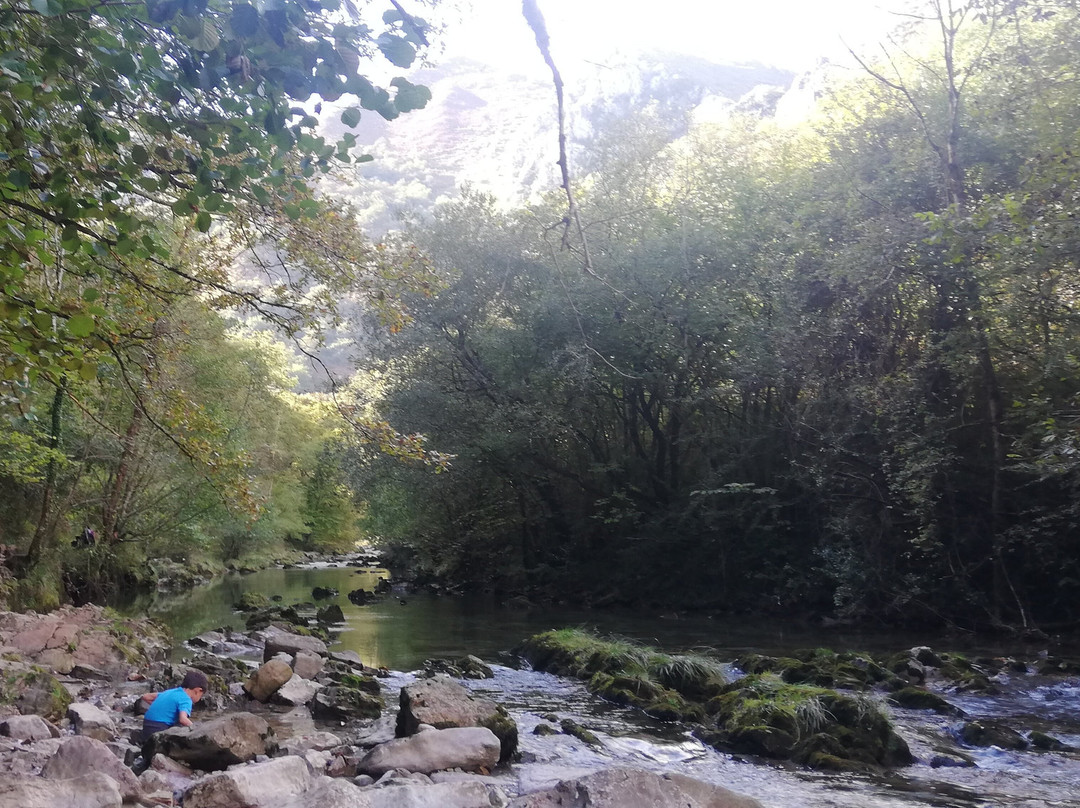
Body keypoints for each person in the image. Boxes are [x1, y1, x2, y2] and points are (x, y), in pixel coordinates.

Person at [139, 669, 207, 742]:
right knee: (182, 727)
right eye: (201, 695)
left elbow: (146, 697)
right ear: (198, 690)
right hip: (159, 729)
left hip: (146, 726)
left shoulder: (171, 692)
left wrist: (162, 708)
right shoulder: (186, 699)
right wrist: (197, 729)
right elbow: (183, 719)